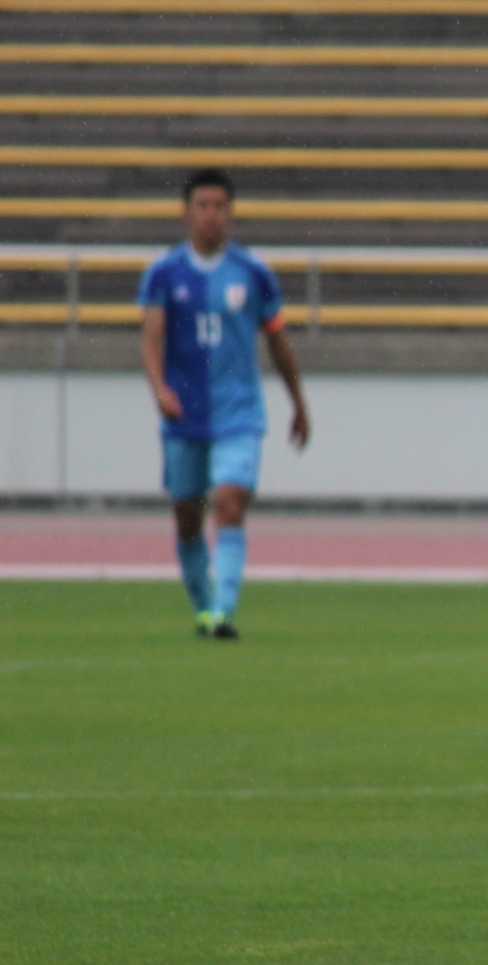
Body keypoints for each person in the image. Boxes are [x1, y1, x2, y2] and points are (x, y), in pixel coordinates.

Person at [139, 168, 310, 639]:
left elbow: (277, 341)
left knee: (229, 502)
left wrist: (298, 403)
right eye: (203, 205)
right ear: (186, 212)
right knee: (186, 516)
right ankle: (204, 607)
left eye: (219, 206)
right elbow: (151, 340)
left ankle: (224, 612)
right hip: (184, 413)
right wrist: (159, 389)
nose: (212, 214)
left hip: (239, 412)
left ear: (230, 212)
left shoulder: (252, 272)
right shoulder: (164, 272)